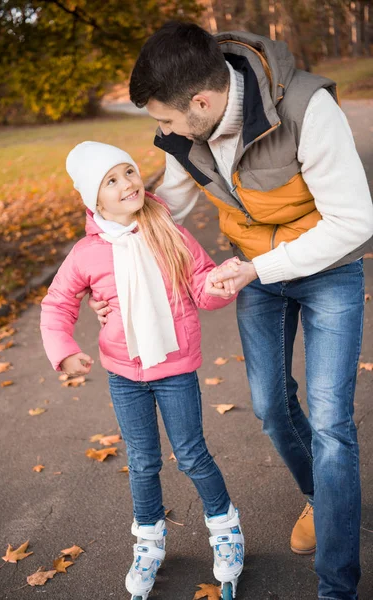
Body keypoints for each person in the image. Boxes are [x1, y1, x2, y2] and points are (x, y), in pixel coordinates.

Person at [117, 21, 372, 600]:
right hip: (256, 273)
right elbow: (171, 209)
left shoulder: (308, 107)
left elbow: (355, 222)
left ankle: (337, 587)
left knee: (331, 424)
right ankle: (325, 499)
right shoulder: (189, 135)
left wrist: (260, 267)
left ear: (201, 102)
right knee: (270, 407)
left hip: (327, 270)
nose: (163, 132)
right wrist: (110, 254)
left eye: (165, 120)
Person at [40, 141, 245, 600]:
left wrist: (217, 284)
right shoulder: (87, 254)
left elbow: (200, 283)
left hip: (174, 368)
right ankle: (149, 540)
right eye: (110, 181)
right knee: (143, 461)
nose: (127, 184)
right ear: (95, 200)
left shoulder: (168, 230)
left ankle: (226, 529)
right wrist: (63, 348)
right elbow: (57, 302)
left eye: (129, 172)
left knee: (191, 454)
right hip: (123, 374)